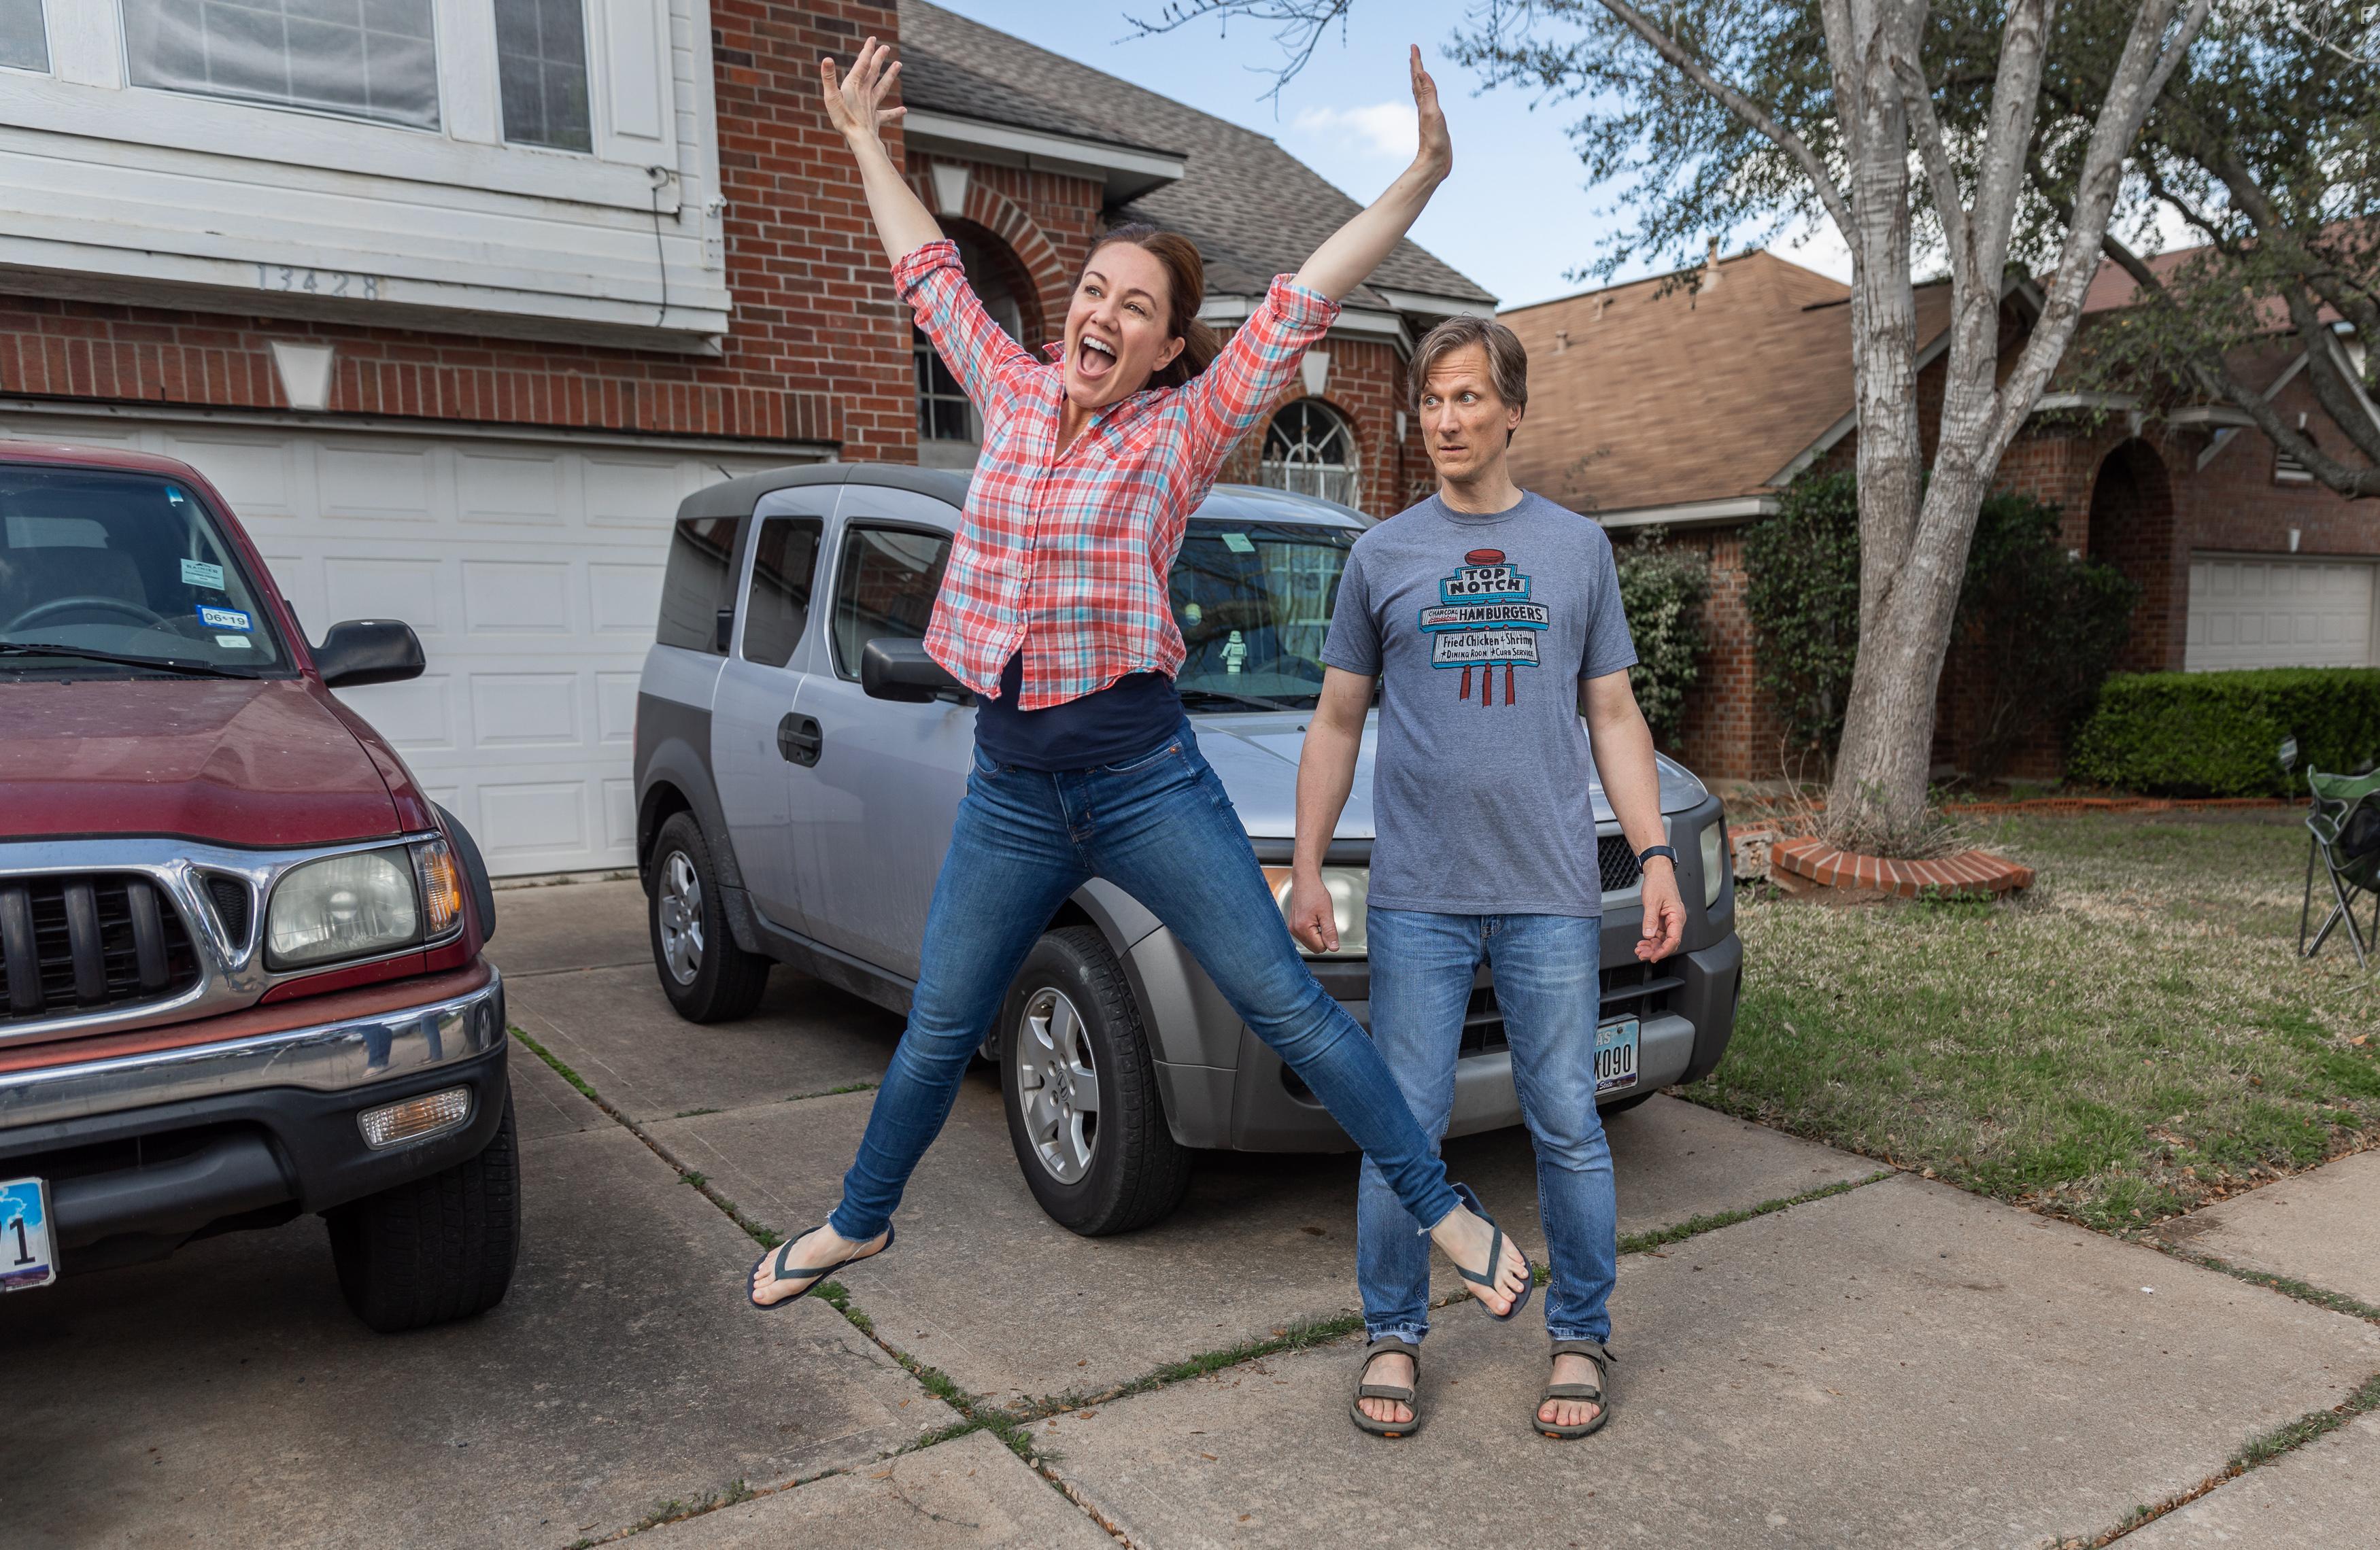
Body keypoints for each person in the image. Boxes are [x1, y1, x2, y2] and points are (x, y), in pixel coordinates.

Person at [749, 39, 1534, 1324]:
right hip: (1011, 784)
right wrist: (860, 145)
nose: (1102, 314)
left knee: (1283, 999)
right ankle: (858, 1221)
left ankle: (1439, 1204)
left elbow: (1303, 297)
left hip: (1140, 778)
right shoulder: (1006, 394)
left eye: (1135, 307)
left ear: (1170, 350)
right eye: (1093, 290)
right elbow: (927, 270)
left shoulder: (1181, 431)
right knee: (945, 1026)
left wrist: (1420, 184)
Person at [1288, 316, 1687, 1440]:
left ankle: (1582, 1335)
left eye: (1468, 399)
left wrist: (1654, 854)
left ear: (1514, 409)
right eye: (1433, 403)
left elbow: (1613, 713)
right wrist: (1310, 868)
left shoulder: (1577, 550)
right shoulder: (1383, 556)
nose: (1449, 421)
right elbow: (1333, 720)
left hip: (1552, 891)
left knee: (1566, 1118)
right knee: (1401, 1126)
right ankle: (1392, 1333)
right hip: (1417, 893)